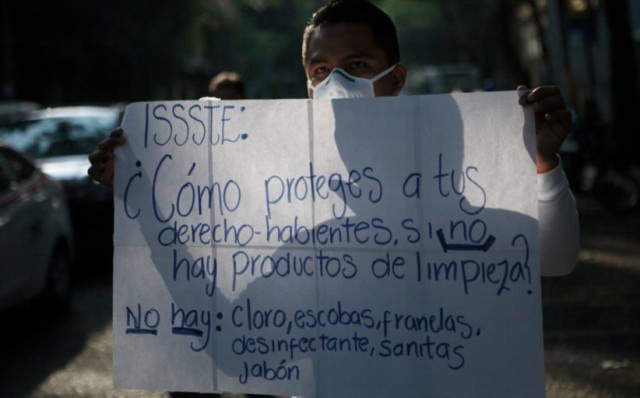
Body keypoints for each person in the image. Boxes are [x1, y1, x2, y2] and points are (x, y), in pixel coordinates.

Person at [88, 0, 579, 394]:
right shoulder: (291, 204)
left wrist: (542, 166)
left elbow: (556, 259)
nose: (336, 82)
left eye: (357, 65)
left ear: (397, 78)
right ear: (307, 84)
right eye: (320, 70)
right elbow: (235, 343)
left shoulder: (468, 199)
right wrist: (145, 205)